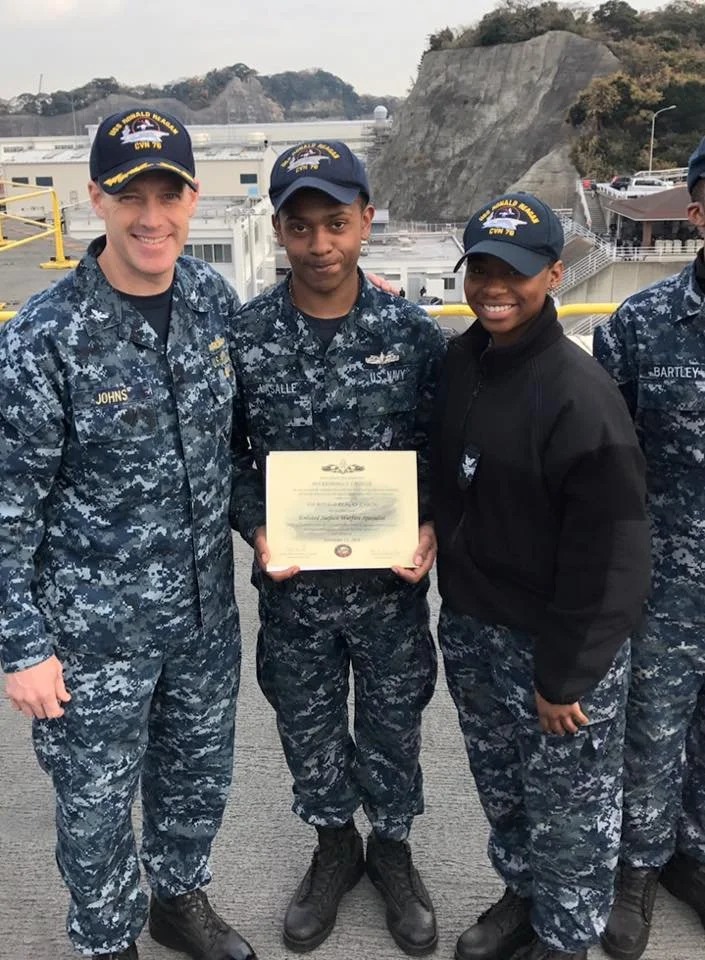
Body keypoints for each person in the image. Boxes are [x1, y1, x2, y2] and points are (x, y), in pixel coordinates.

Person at [0, 109, 256, 960]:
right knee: (96, 804)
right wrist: (21, 647)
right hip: (91, 636)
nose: (153, 217)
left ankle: (178, 899)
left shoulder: (214, 301)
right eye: (130, 196)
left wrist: (274, 527)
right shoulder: (44, 336)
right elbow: (7, 507)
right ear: (95, 202)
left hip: (202, 619)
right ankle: (108, 941)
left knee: (196, 780)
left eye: (169, 194)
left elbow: (233, 452)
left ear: (193, 197)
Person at [229, 140, 446, 955]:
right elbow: (224, 455)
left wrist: (429, 523)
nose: (319, 244)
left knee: (394, 728)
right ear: (278, 229)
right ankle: (332, 849)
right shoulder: (244, 337)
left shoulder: (412, 333)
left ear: (364, 220)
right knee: (308, 731)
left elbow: (446, 445)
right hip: (294, 594)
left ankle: (391, 850)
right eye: (300, 226)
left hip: (389, 593)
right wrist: (255, 524)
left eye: (336, 223)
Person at [430, 192, 651, 960]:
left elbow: (614, 554)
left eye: (515, 272)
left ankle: (563, 941)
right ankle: (522, 898)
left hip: (555, 650)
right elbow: (448, 480)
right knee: (507, 795)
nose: (494, 286)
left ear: (554, 274)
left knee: (572, 817)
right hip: (473, 629)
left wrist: (566, 677)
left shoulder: (577, 394)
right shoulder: (463, 365)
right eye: (481, 269)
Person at [595, 136, 705, 960]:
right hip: (667, 578)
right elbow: (607, 463)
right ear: (695, 207)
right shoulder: (642, 323)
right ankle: (635, 867)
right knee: (653, 727)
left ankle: (692, 856)